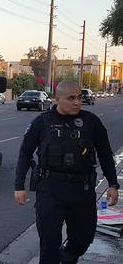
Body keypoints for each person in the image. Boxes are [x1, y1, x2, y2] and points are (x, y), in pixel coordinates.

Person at [14, 80, 120, 264]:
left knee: (82, 240)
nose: (77, 102)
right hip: (50, 189)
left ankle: (69, 255)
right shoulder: (42, 122)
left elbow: (105, 154)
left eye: (79, 97)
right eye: (71, 98)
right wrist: (19, 186)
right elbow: (25, 153)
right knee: (49, 243)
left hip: (82, 190)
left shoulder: (91, 122)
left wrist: (112, 183)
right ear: (57, 99)